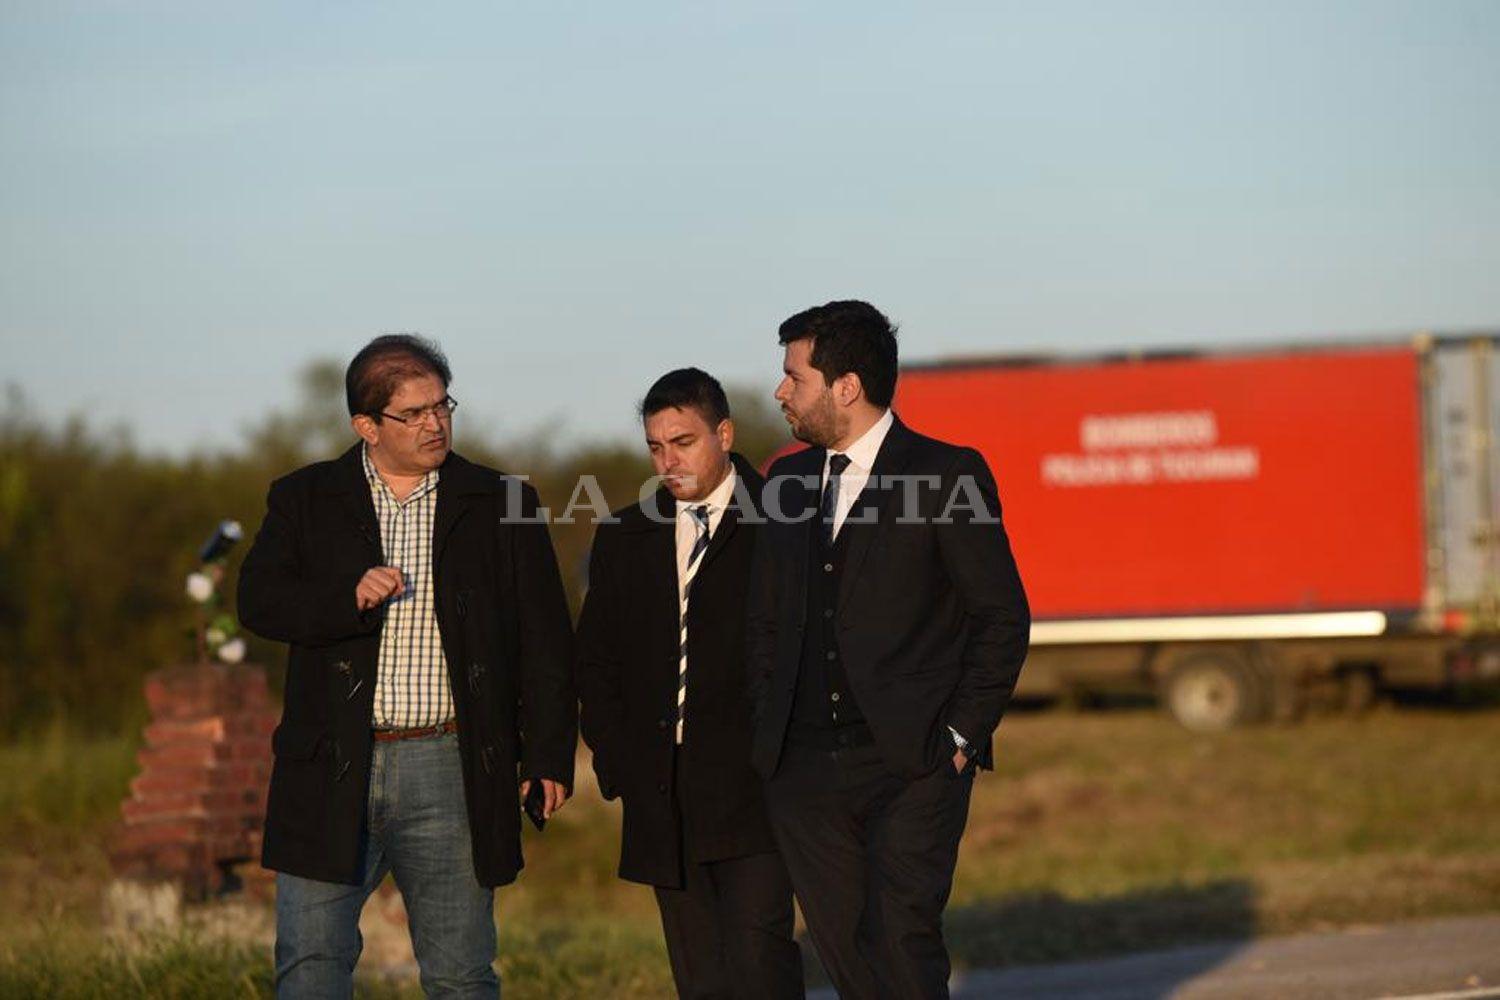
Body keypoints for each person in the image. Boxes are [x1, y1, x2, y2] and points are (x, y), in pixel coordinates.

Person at [238, 334, 576, 999]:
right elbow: (258, 601)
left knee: (462, 976)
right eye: (413, 413)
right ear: (366, 426)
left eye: (442, 405)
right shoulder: (305, 498)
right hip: (330, 766)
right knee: (310, 966)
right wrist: (346, 598)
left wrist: (547, 756)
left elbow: (545, 641)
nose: (436, 423)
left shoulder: (502, 501)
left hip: (451, 765)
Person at [746, 301, 1030, 999]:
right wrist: (768, 735)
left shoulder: (945, 473)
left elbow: (1001, 617)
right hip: (805, 771)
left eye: (794, 376)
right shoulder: (784, 480)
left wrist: (961, 735)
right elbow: (765, 624)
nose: (780, 391)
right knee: (846, 955)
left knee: (901, 939)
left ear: (845, 386)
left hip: (914, 761)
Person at [577, 368, 805, 999]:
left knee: (761, 965)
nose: (668, 461)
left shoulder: (782, 525)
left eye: (683, 442)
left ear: (724, 434)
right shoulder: (624, 536)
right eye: (655, 446)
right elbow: (596, 662)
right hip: (662, 797)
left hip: (757, 793)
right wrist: (618, 762)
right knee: (700, 977)